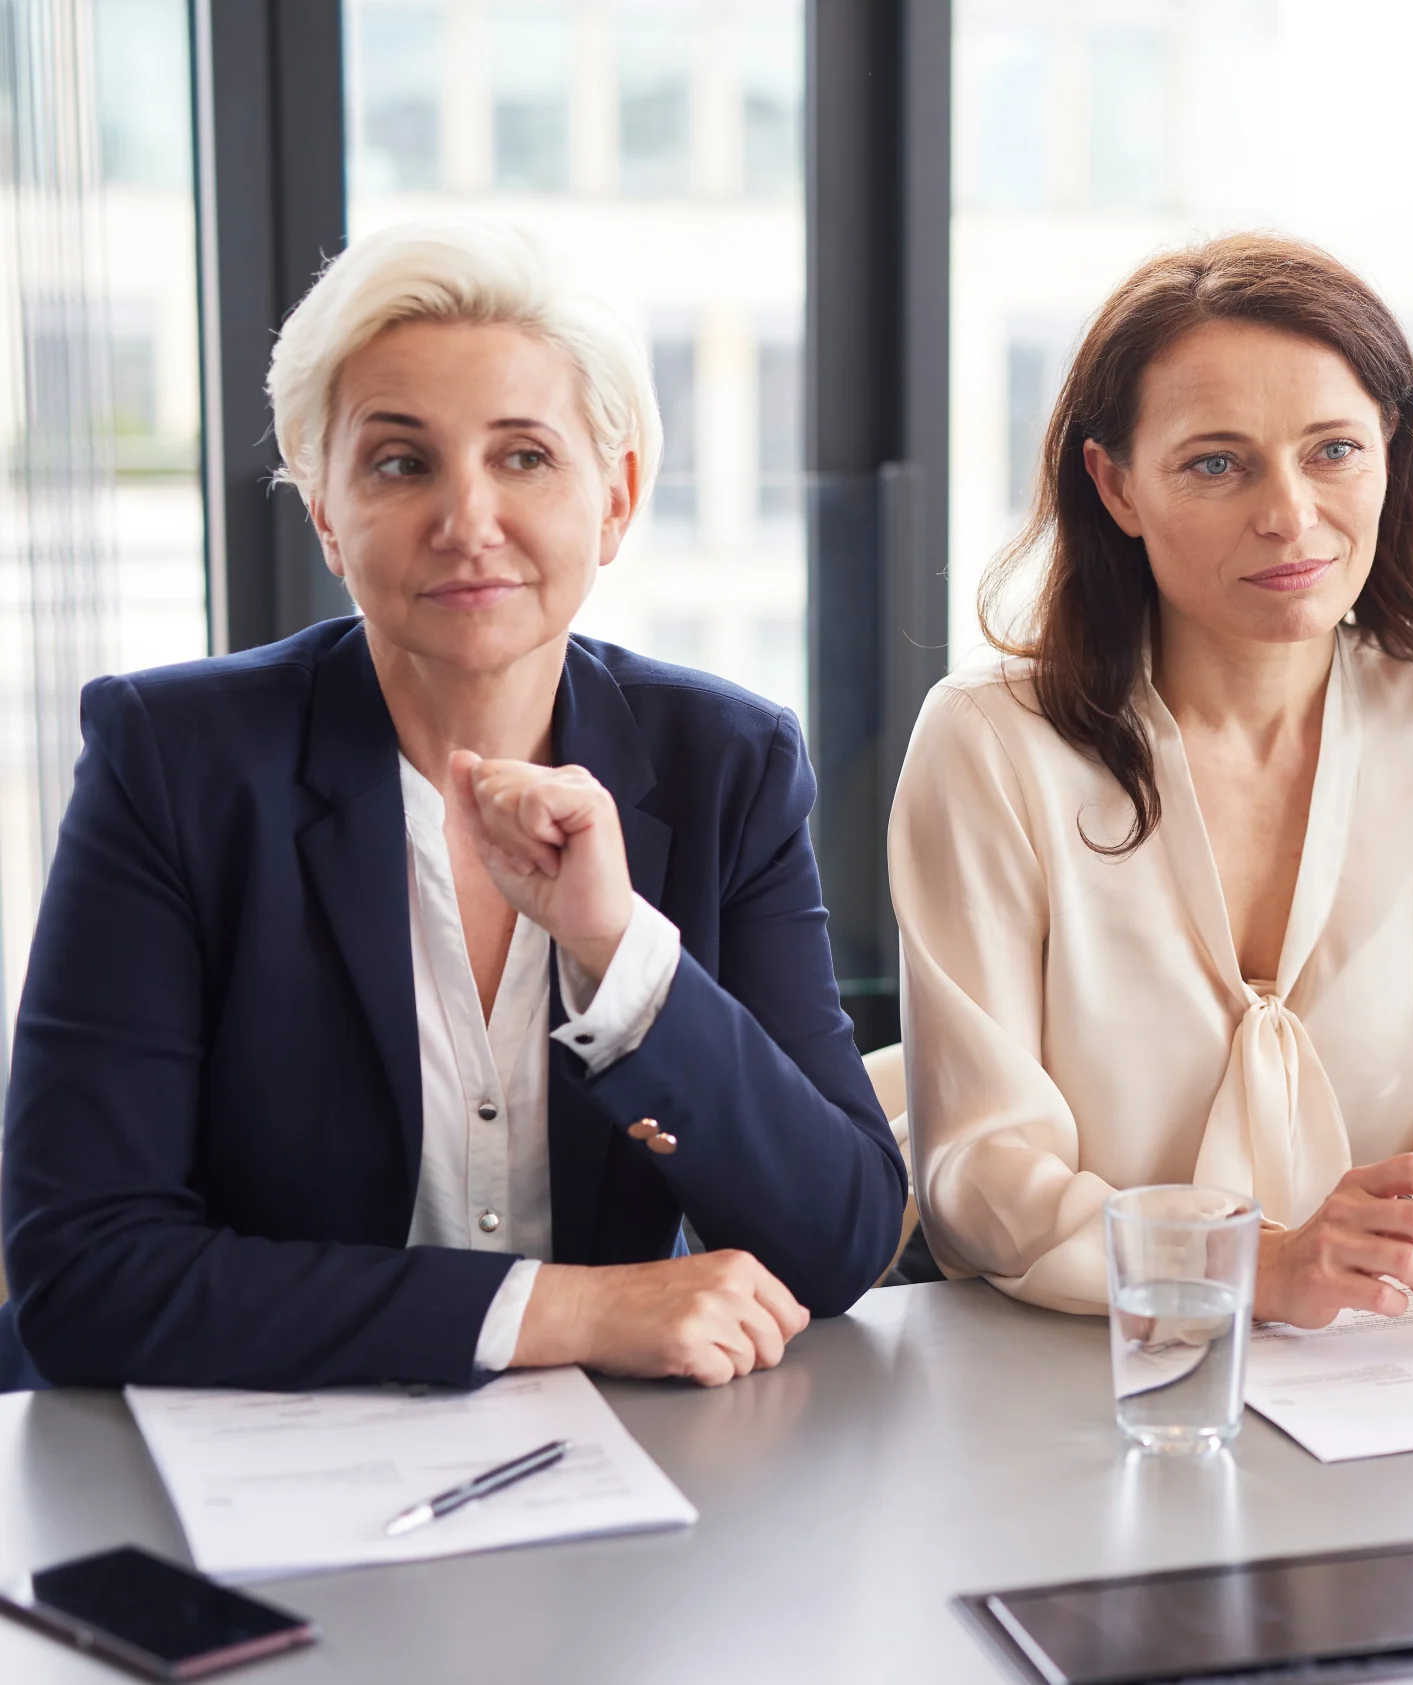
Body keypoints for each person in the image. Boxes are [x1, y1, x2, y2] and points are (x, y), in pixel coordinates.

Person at [0, 222, 908, 1392]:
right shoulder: (171, 762)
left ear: (616, 497)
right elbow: (84, 1277)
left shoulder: (725, 762)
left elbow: (837, 1239)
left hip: (617, 1494)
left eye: (525, 456)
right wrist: (566, 1308)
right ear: (326, 508)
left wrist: (618, 951)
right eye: (400, 462)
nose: (467, 520)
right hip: (240, 1476)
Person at [888, 234, 1413, 1353]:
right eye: (1217, 462)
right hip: (1068, 1368)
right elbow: (982, 1171)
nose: (1291, 514)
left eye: (1334, 450)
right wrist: (1251, 1263)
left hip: (1386, 1374)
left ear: (1390, 453)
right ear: (1114, 484)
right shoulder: (989, 746)